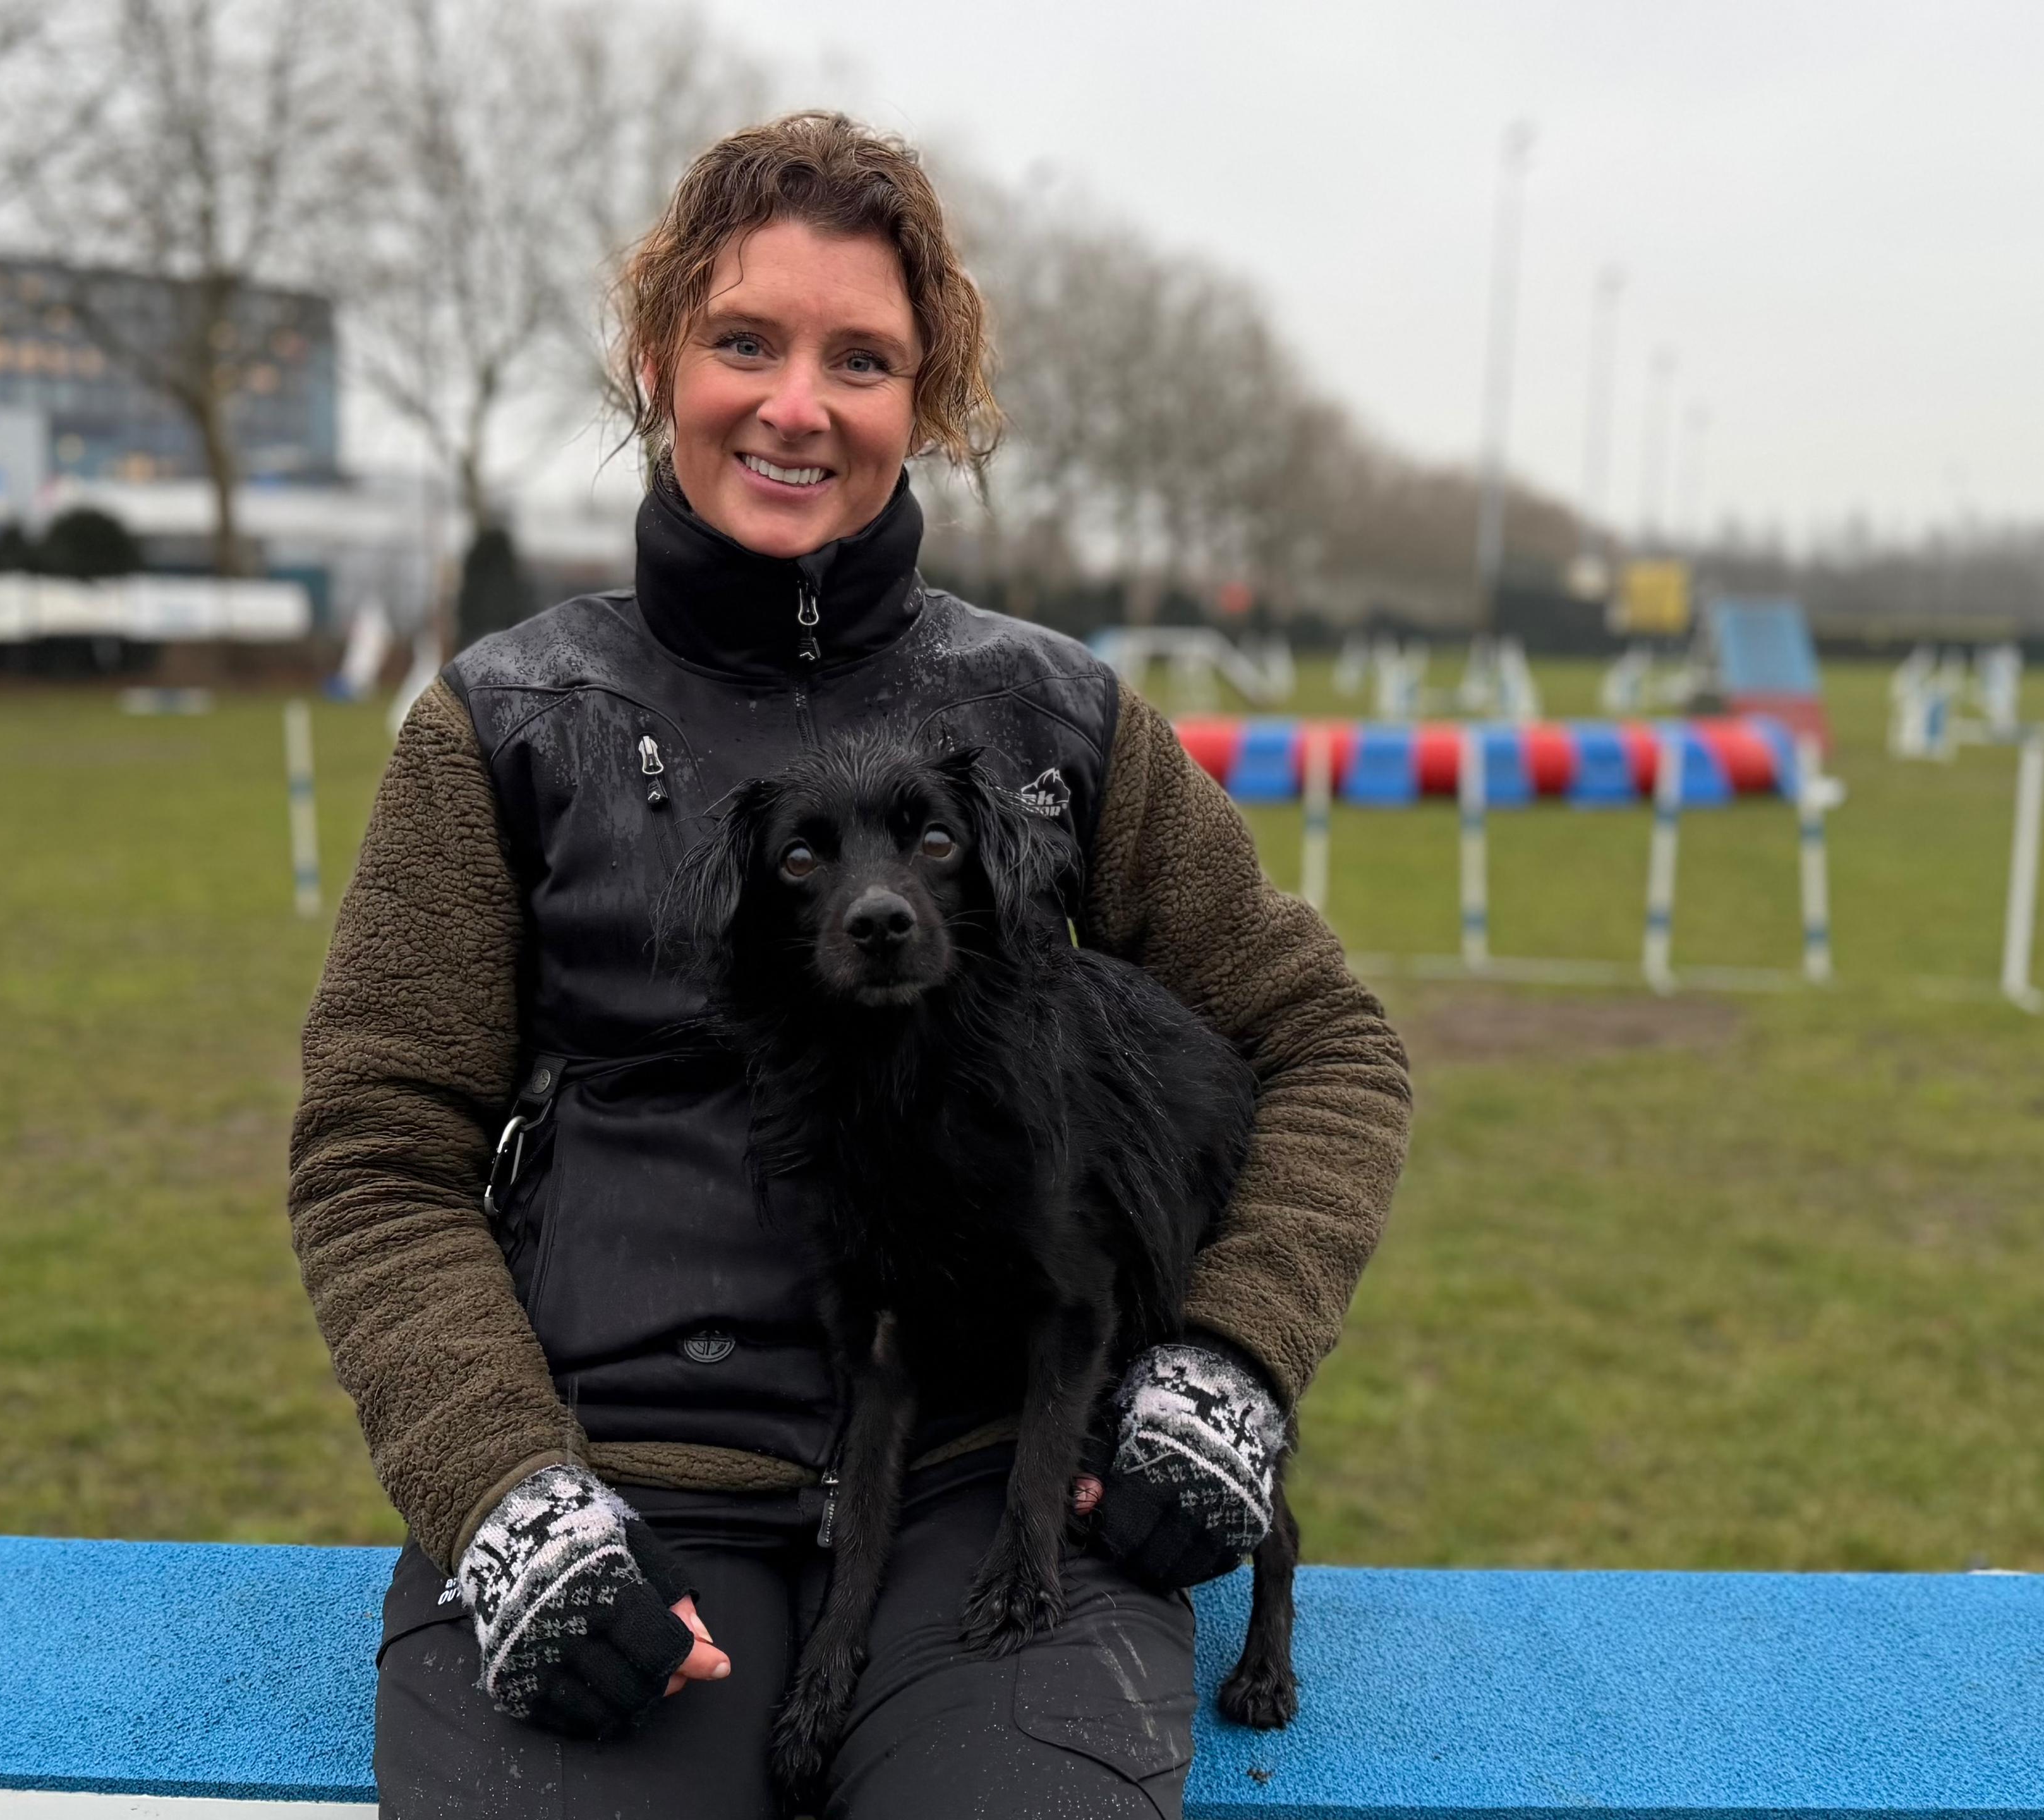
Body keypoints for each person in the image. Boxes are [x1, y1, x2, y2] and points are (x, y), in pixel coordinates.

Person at [289, 111, 1411, 1819]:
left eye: (863, 359)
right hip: (617, 1476)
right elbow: (378, 1156)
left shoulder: (1058, 721)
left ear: (928, 402)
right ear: (661, 363)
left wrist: (1230, 1363)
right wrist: (504, 1492)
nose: (796, 404)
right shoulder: (501, 727)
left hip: (994, 1490)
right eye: (746, 340)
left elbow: (1327, 1041)